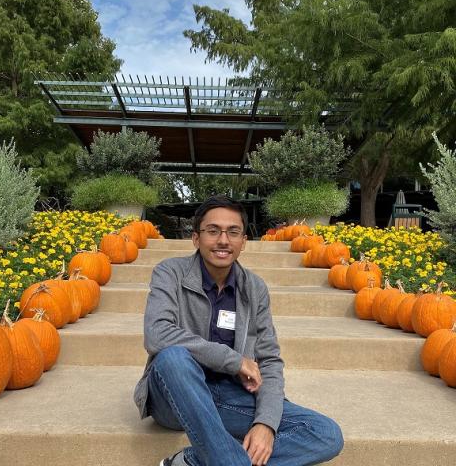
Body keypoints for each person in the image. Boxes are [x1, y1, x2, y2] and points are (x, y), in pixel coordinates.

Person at [134, 195, 344, 466]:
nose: (223, 240)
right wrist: (234, 361)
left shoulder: (254, 289)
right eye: (213, 231)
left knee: (326, 434)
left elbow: (269, 361)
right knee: (173, 357)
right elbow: (158, 334)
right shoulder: (170, 273)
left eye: (233, 232)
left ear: (243, 241)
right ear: (196, 238)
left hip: (228, 395)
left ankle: (193, 462)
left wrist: (266, 424)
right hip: (174, 393)